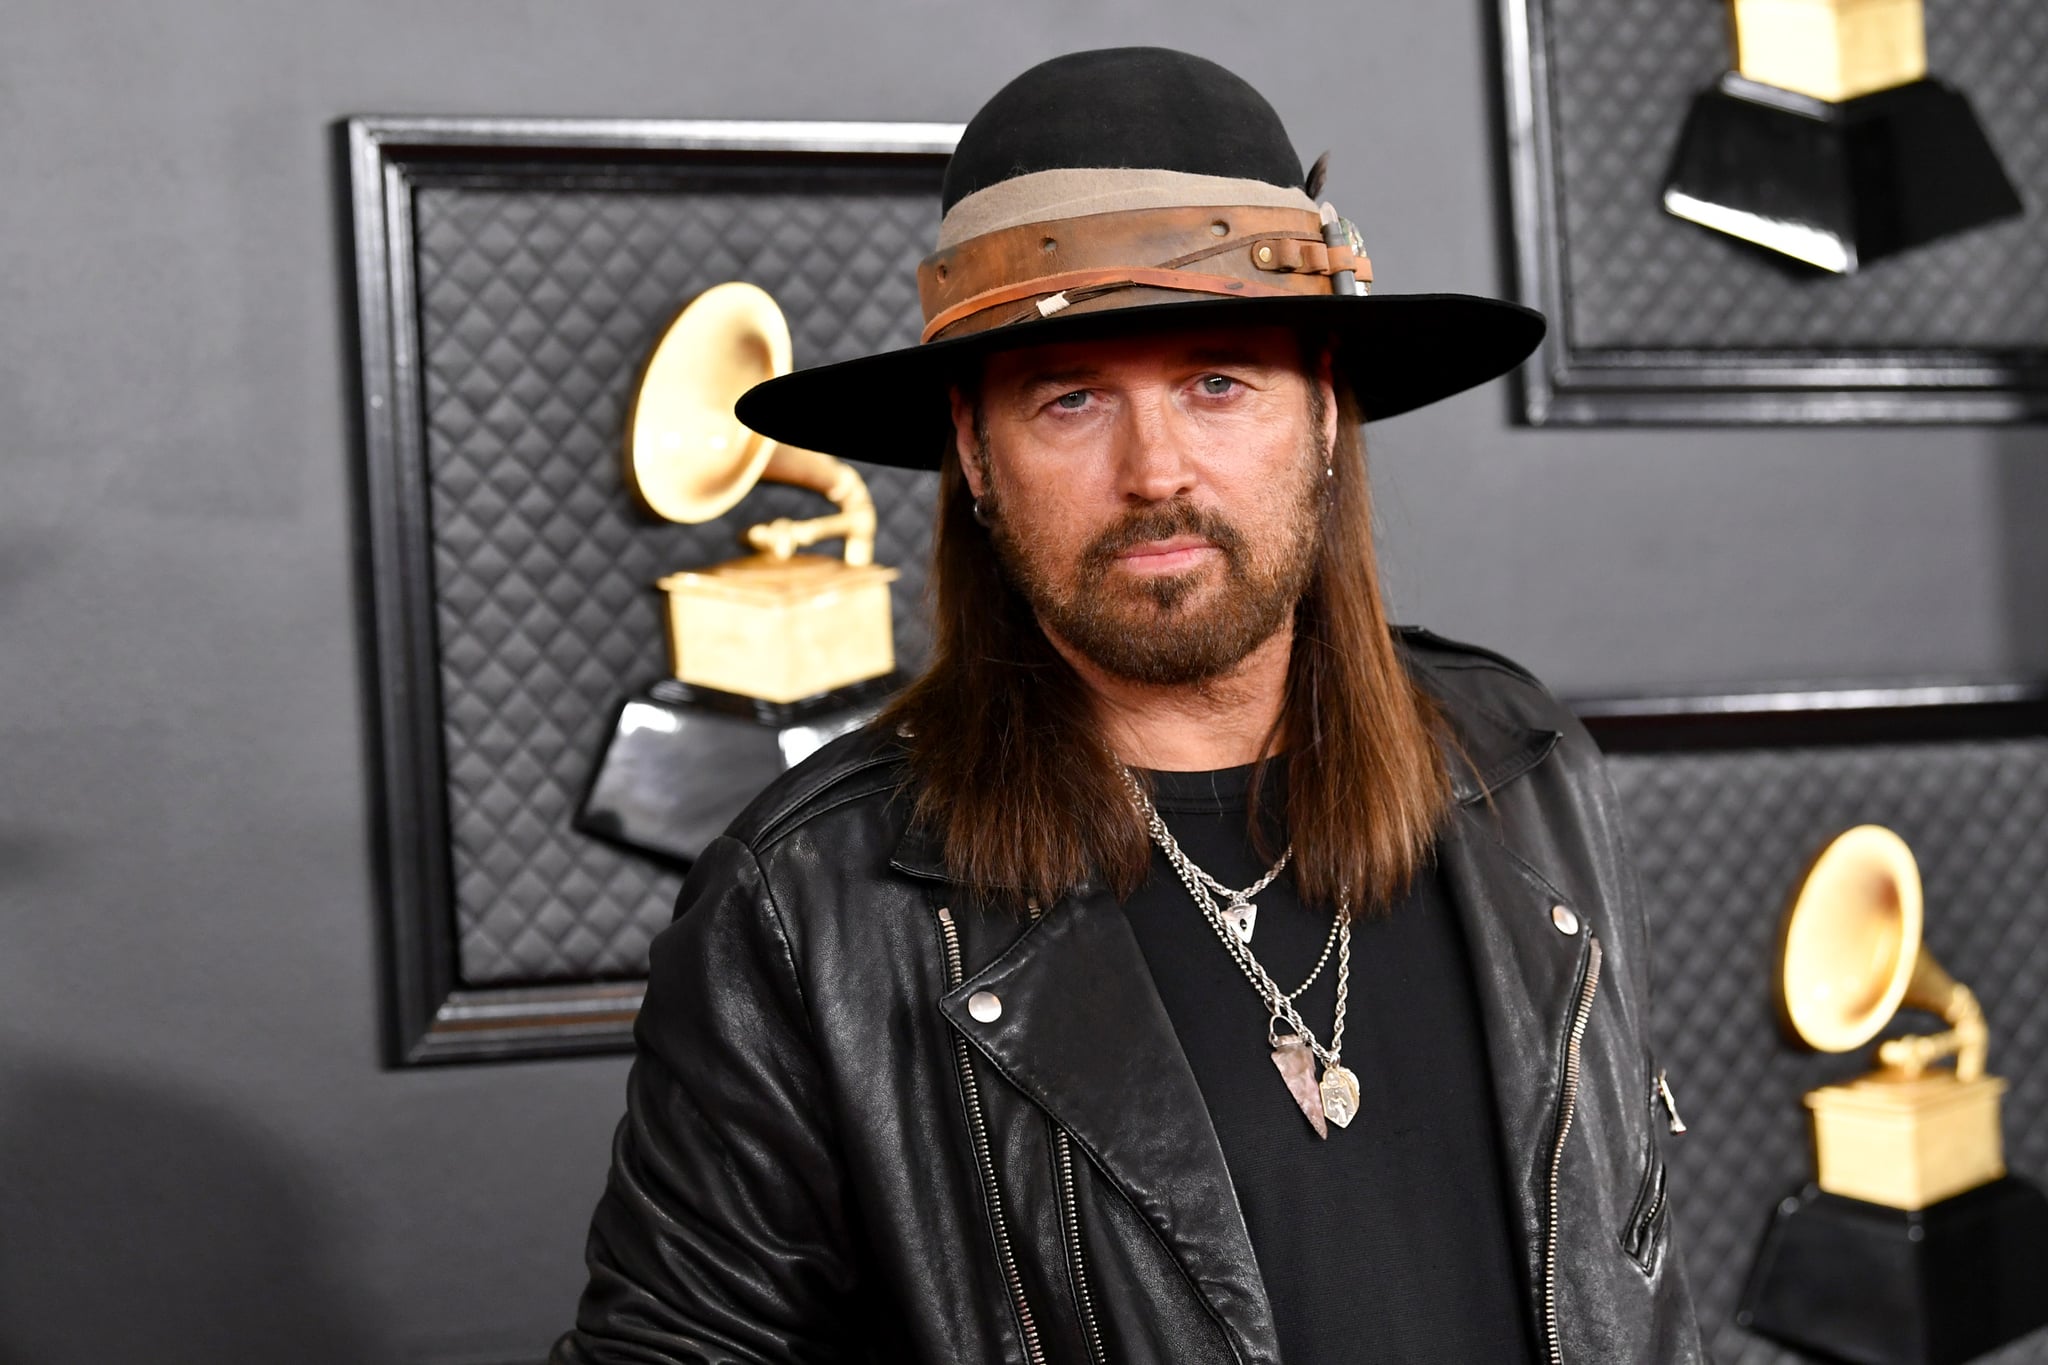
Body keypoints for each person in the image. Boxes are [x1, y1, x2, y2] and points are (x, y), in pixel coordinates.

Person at [553, 46, 1703, 1365]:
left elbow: (1638, 1279)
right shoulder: (811, 904)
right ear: (975, 455)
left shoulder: (1521, 764)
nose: (1155, 471)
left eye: (1218, 381)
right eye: (1072, 399)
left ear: (1324, 412)